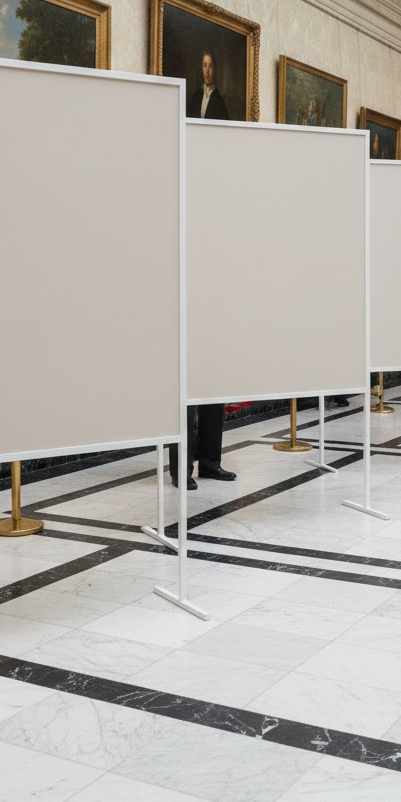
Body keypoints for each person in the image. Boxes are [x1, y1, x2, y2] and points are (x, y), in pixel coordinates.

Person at [169, 49, 236, 489]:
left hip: (214, 303)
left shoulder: (219, 204)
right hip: (184, 304)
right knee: (185, 391)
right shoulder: (178, 195)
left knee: (213, 384)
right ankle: (182, 469)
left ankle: (210, 460)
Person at [186, 50, 229, 121]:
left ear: (215, 69)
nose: (207, 71)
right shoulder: (196, 95)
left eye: (211, 66)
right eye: (205, 65)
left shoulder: (219, 101)